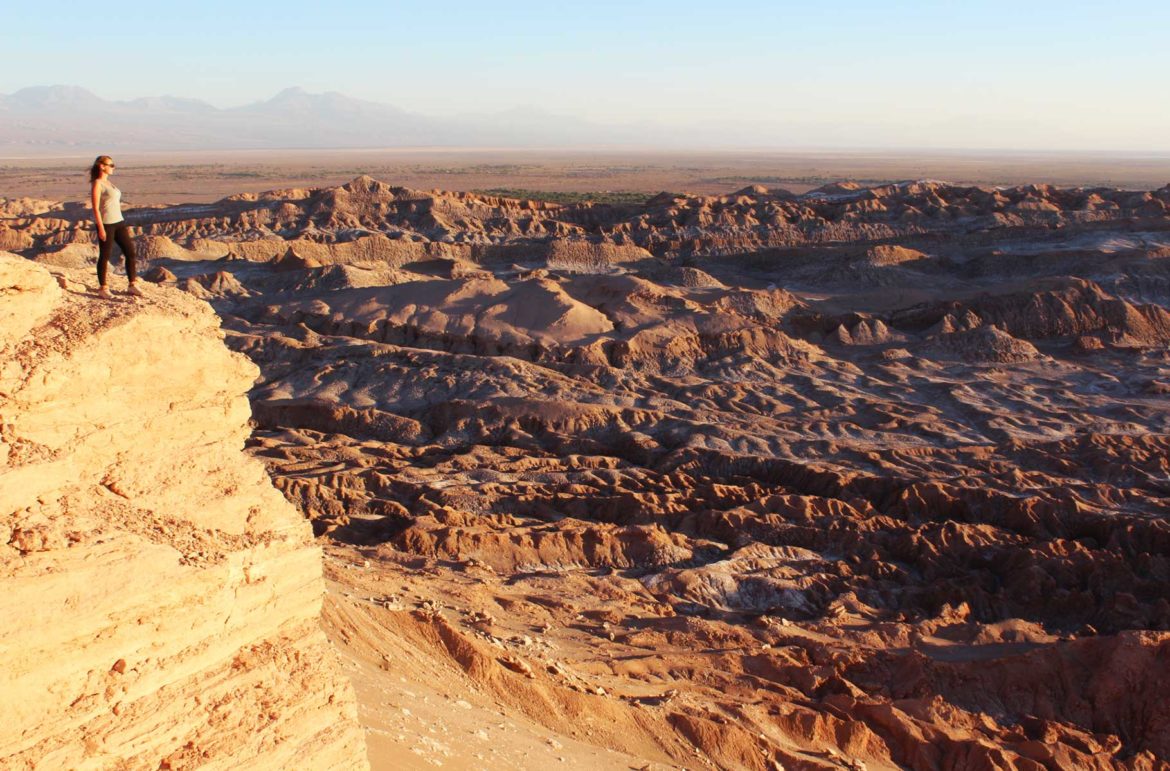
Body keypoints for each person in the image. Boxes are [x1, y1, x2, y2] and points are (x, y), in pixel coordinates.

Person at [89, 155, 142, 299]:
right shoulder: (97, 184)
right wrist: (100, 227)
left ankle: (132, 284)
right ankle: (103, 288)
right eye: (111, 165)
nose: (113, 167)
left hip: (119, 222)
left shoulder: (108, 182)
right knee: (105, 256)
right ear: (102, 166)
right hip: (106, 224)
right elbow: (95, 208)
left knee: (130, 252)